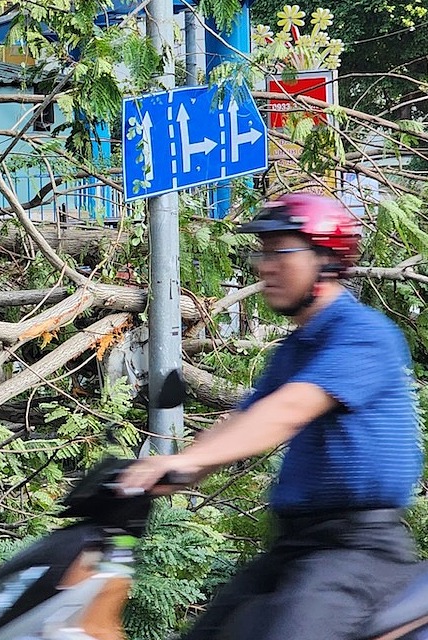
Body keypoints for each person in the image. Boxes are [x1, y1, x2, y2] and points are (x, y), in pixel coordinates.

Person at [120, 192, 423, 640]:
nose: (264, 267)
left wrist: (172, 462)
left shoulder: (364, 334)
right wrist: (159, 475)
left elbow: (286, 412)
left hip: (359, 554)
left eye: (280, 251)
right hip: (295, 549)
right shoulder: (293, 351)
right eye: (262, 253)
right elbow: (243, 423)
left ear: (326, 260)